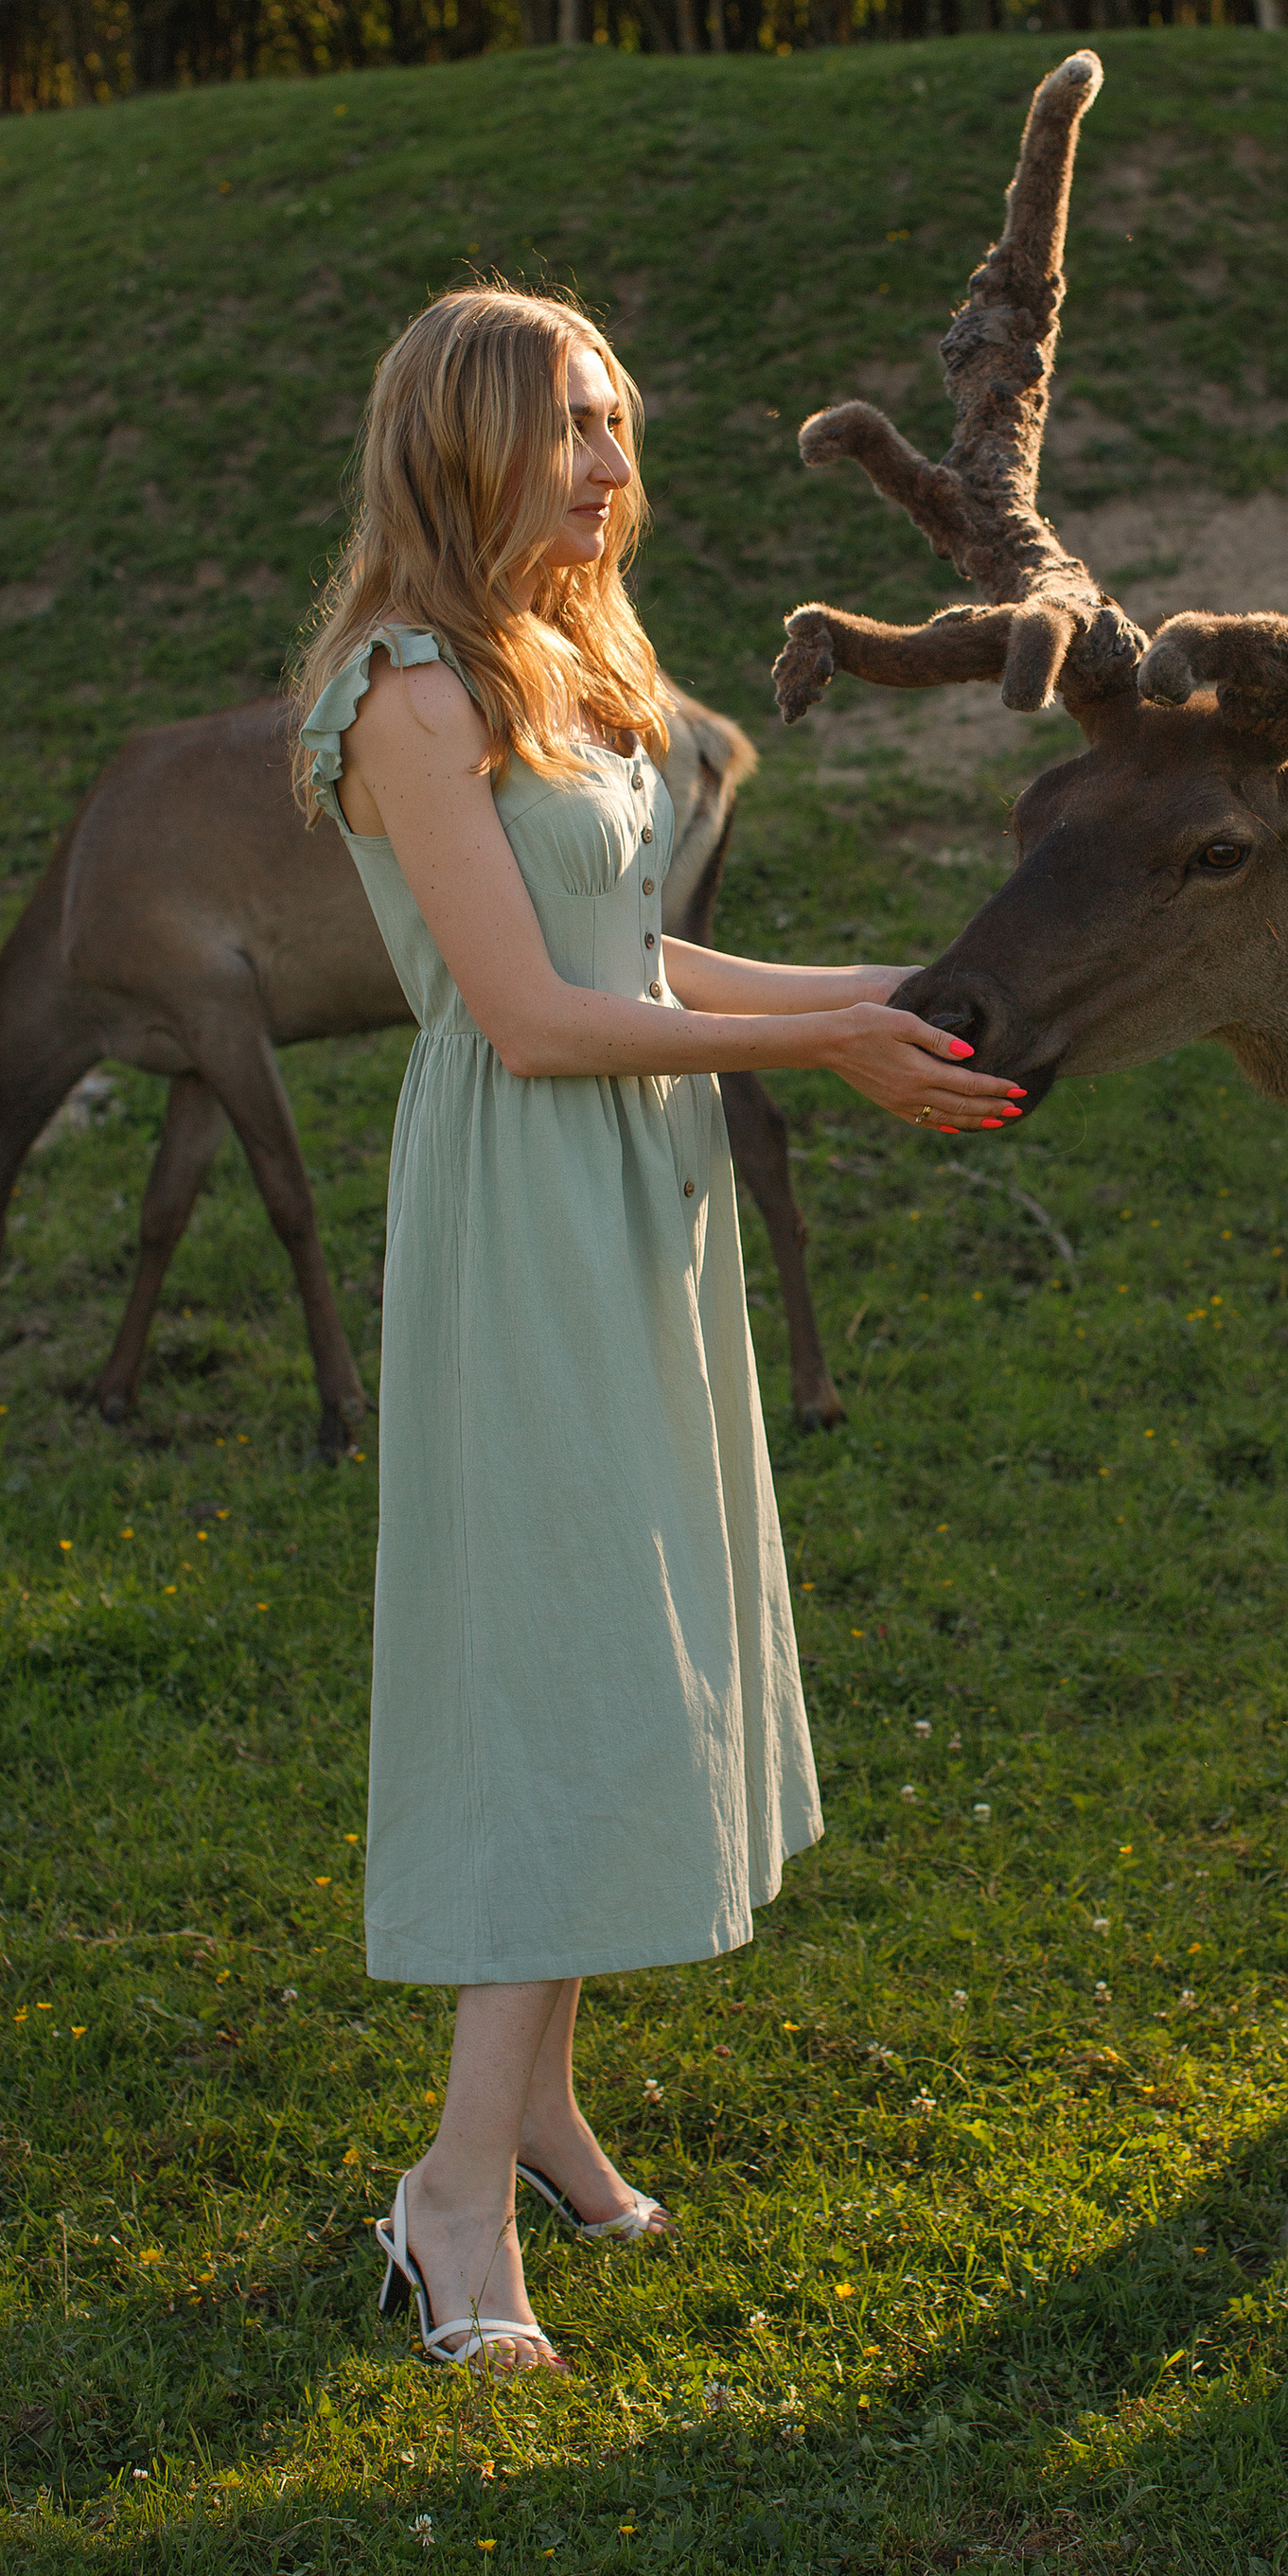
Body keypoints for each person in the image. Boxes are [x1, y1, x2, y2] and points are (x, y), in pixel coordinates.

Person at [291, 285, 1021, 2371]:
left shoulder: (559, 660)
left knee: (633, 1635)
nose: (616, 465)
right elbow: (522, 1016)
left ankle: (532, 2117)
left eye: (621, 420)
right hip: (528, 1195)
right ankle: (443, 2200)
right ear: (461, 446)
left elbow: (632, 945)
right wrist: (834, 1062)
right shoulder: (406, 689)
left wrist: (871, 992)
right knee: (566, 1666)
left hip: (635, 1194)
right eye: (572, 430)